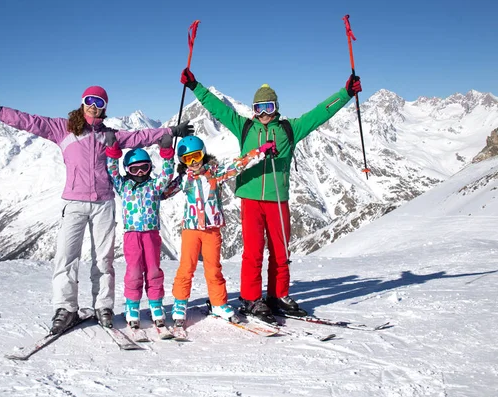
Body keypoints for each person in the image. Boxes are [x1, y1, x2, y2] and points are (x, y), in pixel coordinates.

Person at [0, 86, 194, 334]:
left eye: (99, 101)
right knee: (66, 256)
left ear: (105, 107)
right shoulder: (62, 128)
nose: (93, 105)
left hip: (103, 202)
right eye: (89, 100)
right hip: (73, 203)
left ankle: (104, 306)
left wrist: (170, 132)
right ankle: (65, 309)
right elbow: (28, 121)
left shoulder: (109, 135)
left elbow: (140, 136)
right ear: (82, 102)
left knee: (104, 258)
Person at [179, 68, 362, 323]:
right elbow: (219, 109)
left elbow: (321, 113)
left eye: (268, 107)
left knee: (280, 250)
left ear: (276, 107)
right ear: (253, 110)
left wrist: (346, 93)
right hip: (250, 198)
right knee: (253, 251)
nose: (263, 113)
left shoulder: (290, 129)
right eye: (258, 108)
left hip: (278, 199)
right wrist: (195, 86)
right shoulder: (244, 127)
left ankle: (278, 295)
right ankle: (251, 297)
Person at [161, 135, 278, 325]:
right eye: (187, 159)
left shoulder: (215, 173)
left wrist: (261, 151)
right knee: (186, 267)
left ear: (203, 155)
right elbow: (162, 193)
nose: (193, 162)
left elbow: (238, 165)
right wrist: (165, 173)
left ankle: (218, 302)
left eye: (196, 156)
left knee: (213, 268)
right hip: (191, 229)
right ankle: (180, 302)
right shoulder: (183, 179)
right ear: (182, 161)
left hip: (212, 229)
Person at [104, 134, 176, 329]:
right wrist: (112, 152)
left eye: (144, 167)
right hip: (132, 234)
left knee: (153, 269)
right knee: (134, 270)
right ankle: (132, 305)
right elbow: (112, 172)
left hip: (151, 234)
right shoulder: (124, 185)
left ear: (150, 168)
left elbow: (167, 174)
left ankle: (155, 304)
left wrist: (167, 154)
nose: (140, 172)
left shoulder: (154, 185)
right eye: (134, 169)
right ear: (127, 170)